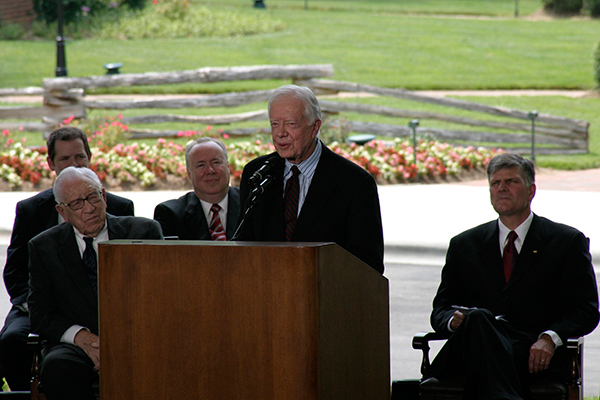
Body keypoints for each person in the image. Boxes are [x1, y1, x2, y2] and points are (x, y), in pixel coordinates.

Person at [428, 153, 599, 400]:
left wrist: (549, 338)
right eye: (495, 183)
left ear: (531, 191)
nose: (502, 188)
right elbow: (440, 310)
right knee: (478, 319)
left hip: (532, 354)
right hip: (472, 349)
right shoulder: (464, 244)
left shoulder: (566, 242)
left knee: (479, 321)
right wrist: (452, 322)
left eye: (511, 182)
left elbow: (585, 310)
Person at [0, 126, 134, 391]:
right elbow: (15, 271)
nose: (88, 209)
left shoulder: (122, 209)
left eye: (79, 157)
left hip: (109, 310)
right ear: (51, 163)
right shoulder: (32, 212)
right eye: (64, 159)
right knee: (14, 340)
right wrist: (38, 303)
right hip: (39, 302)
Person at [28, 167, 163, 400]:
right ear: (62, 211)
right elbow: (40, 312)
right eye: (77, 204)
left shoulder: (145, 231)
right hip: (78, 345)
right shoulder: (44, 247)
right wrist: (81, 337)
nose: (90, 208)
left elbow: (164, 295)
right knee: (57, 366)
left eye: (93, 197)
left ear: (104, 197)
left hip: (139, 337)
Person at [236, 84, 384, 273]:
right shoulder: (257, 173)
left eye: (291, 124)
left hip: (325, 295)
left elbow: (369, 263)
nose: (280, 133)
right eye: (274, 124)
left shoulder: (354, 183)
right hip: (266, 294)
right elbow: (243, 244)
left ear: (315, 127)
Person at [154, 137, 240, 240]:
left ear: (228, 167)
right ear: (189, 174)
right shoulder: (170, 214)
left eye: (216, 162)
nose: (210, 170)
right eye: (201, 165)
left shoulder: (254, 205)